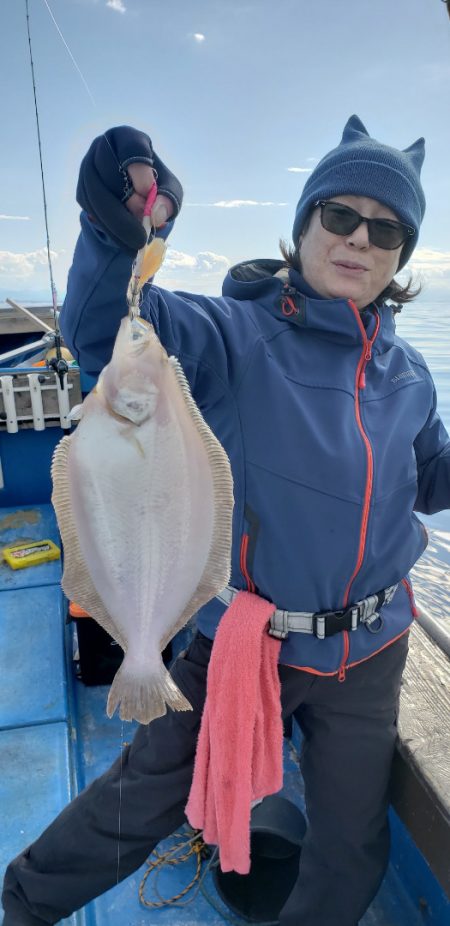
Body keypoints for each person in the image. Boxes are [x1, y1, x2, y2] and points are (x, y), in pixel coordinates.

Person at [2, 115, 450, 926]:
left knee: (350, 845)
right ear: (305, 226)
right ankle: (24, 902)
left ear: (400, 258)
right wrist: (116, 225)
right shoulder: (233, 335)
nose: (359, 238)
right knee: (142, 797)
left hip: (371, 651)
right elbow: (107, 328)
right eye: (340, 215)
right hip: (250, 640)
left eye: (386, 229)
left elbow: (430, 481)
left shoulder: (411, 372)